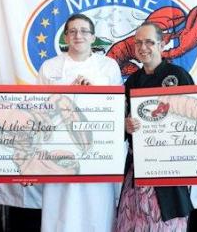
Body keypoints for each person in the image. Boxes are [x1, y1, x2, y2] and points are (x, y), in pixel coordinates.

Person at [38, 13, 123, 232]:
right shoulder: (50, 67)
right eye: (72, 31)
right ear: (65, 37)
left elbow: (117, 107)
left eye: (84, 31)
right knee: (60, 210)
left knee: (97, 210)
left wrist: (92, 92)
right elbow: (39, 109)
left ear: (93, 37)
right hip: (60, 151)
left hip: (97, 152)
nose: (78, 35)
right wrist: (68, 93)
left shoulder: (108, 66)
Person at [115, 21, 193, 231]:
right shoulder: (132, 81)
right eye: (138, 42)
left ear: (161, 44)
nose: (143, 47)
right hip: (137, 168)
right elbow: (120, 125)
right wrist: (125, 126)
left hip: (170, 170)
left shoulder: (178, 76)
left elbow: (196, 121)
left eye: (149, 42)